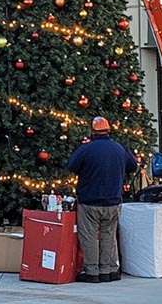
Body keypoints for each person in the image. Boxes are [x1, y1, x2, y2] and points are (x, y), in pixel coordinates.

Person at [67, 116, 138, 283]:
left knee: (89, 236)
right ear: (108, 130)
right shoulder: (119, 148)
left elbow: (71, 166)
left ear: (92, 131)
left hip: (90, 201)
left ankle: (92, 272)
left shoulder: (86, 149)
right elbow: (133, 166)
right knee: (109, 234)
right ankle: (109, 270)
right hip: (113, 201)